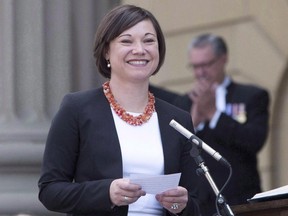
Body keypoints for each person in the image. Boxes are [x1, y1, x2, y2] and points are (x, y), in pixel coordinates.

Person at [38, 4, 200, 216]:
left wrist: (180, 204)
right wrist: (107, 192)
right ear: (106, 50)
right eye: (126, 41)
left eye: (149, 40)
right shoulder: (77, 109)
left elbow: (196, 203)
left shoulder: (178, 119)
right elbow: (50, 190)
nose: (140, 50)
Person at [174, 33, 270, 216]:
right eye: (195, 66)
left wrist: (213, 113)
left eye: (206, 64)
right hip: (199, 206)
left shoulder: (250, 96)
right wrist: (196, 118)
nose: (200, 72)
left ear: (223, 59)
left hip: (241, 202)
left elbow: (254, 140)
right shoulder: (183, 103)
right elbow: (176, 150)